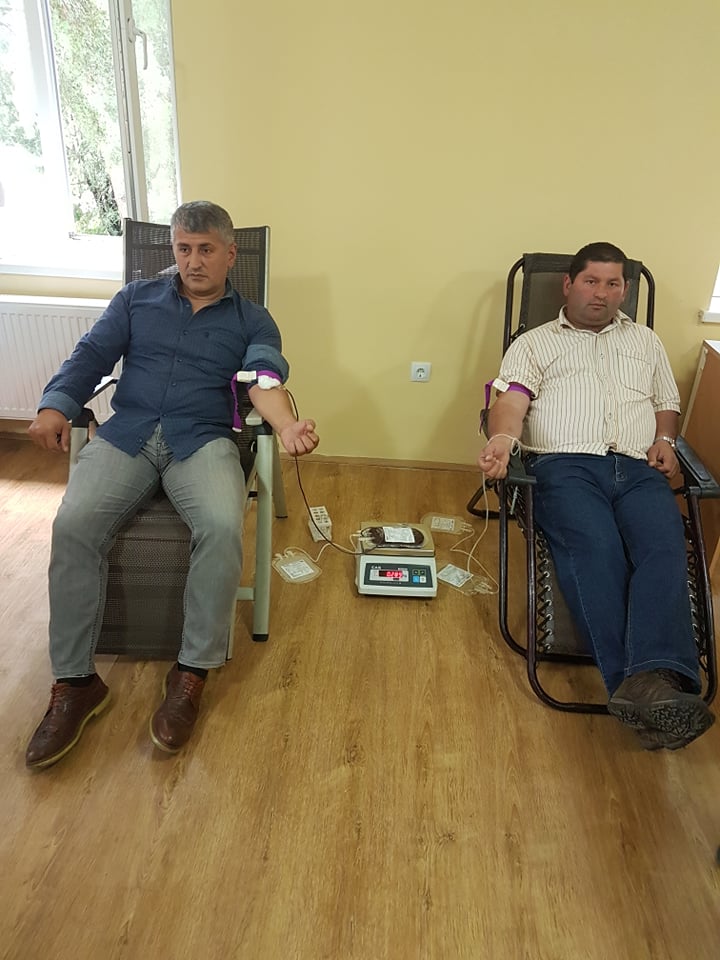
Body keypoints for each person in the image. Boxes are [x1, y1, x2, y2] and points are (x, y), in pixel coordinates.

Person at [25, 201, 319, 769]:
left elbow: (262, 378)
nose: (193, 261)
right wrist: (55, 405)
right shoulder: (135, 299)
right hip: (128, 433)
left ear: (230, 254)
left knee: (221, 525)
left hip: (202, 439)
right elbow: (91, 355)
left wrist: (285, 426)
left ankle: (191, 673)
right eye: (184, 248)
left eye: (206, 249)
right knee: (73, 523)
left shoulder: (253, 320)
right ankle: (76, 683)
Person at [478, 241, 714, 750]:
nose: (601, 293)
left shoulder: (645, 341)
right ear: (568, 285)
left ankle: (651, 689)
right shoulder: (535, 343)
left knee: (664, 548)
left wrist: (665, 440)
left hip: (638, 466)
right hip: (565, 466)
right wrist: (501, 439)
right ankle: (651, 689)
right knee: (597, 547)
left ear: (624, 290)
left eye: (612, 284)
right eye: (591, 282)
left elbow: (665, 403)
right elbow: (512, 400)